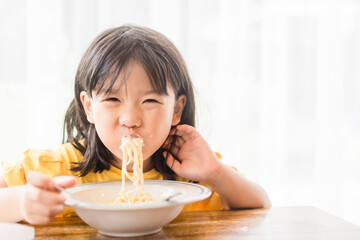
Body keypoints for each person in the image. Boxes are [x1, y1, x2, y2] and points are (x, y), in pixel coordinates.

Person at [0, 25, 271, 225]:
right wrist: (22, 201)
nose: (130, 119)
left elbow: (260, 205)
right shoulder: (55, 168)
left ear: (176, 109)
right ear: (89, 107)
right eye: (112, 98)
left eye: (150, 100)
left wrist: (215, 172)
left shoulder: (193, 174)